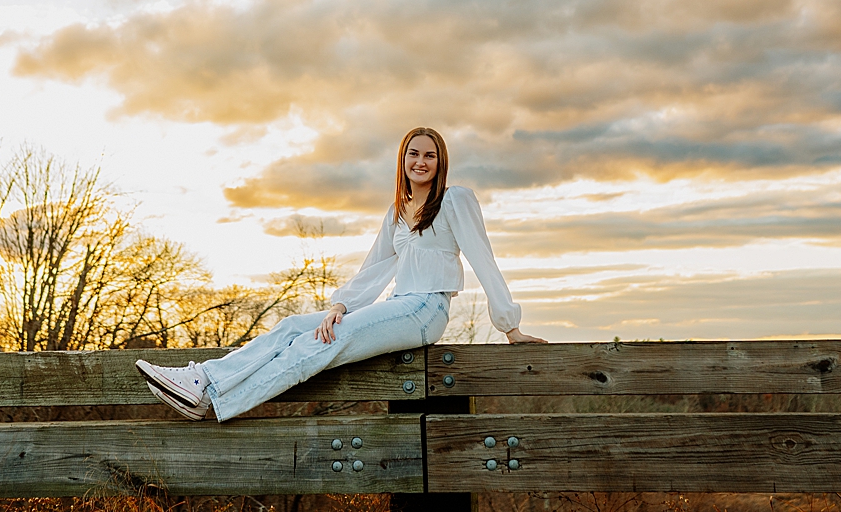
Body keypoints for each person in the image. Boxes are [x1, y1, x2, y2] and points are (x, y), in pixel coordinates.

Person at [136, 126, 546, 422]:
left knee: (319, 344)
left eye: (430, 155)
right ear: (402, 160)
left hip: (425, 309)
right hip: (398, 305)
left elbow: (483, 259)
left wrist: (510, 326)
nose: (421, 162)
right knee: (294, 325)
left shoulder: (455, 200)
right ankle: (202, 378)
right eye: (413, 154)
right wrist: (340, 304)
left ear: (440, 164)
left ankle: (215, 404)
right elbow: (374, 268)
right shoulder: (396, 213)